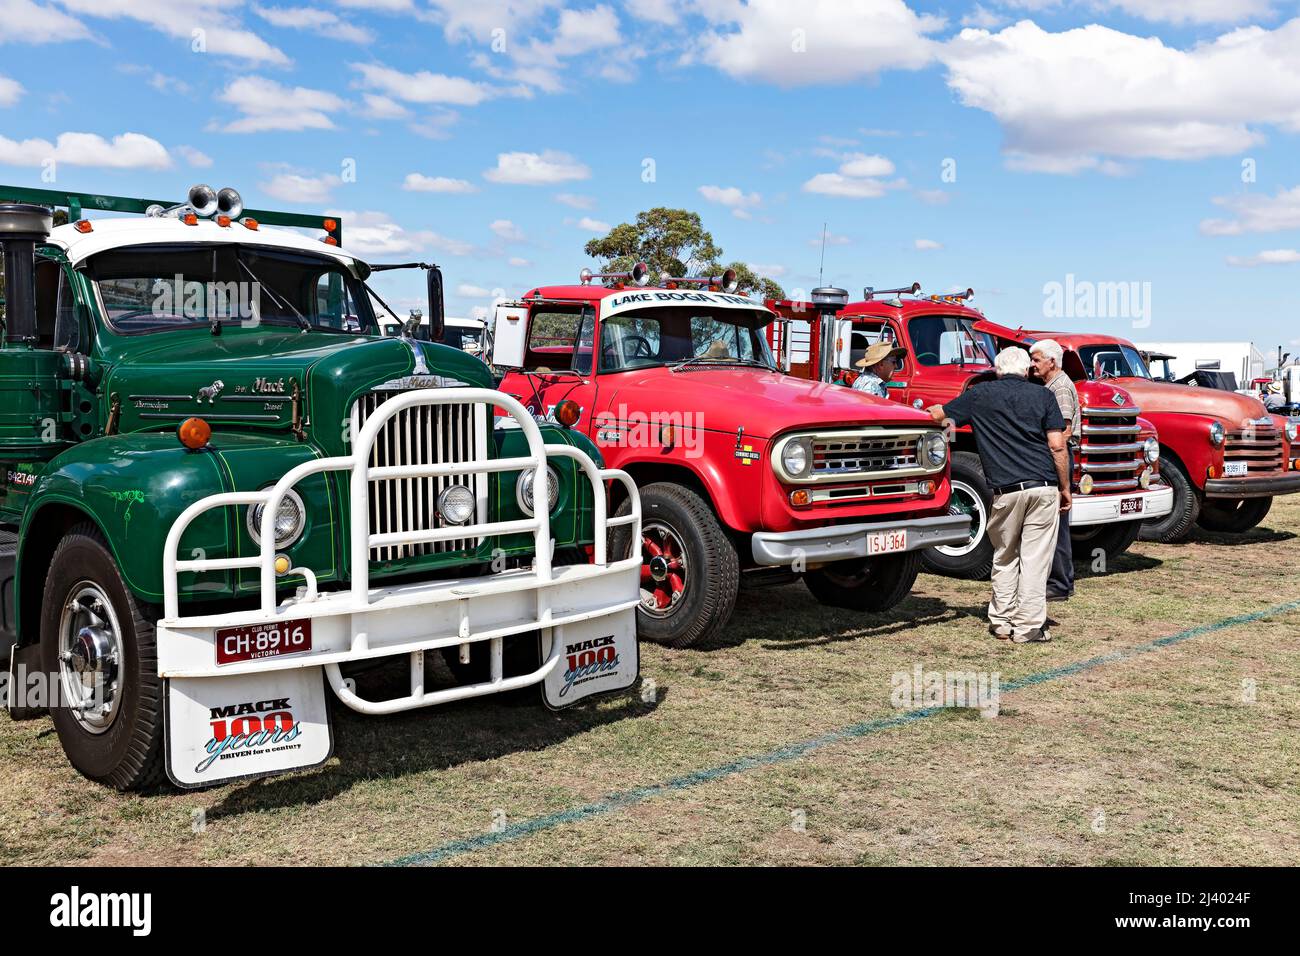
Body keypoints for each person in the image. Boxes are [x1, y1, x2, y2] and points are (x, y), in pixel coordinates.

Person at [928, 346, 1070, 643]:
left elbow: (939, 414)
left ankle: (1001, 622)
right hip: (1042, 486)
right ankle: (1029, 626)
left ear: (996, 370)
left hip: (1005, 490)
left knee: (1005, 555)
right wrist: (1065, 488)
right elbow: (1057, 446)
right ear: (1026, 370)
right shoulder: (1044, 395)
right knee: (1034, 559)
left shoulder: (980, 395)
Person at [1029, 339, 1080, 602]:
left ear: (1052, 361)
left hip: (1057, 457)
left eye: (1036, 359)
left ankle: (1059, 584)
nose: (1032, 364)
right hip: (1056, 456)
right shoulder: (1052, 386)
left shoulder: (1059, 388)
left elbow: (1063, 430)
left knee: (1057, 524)